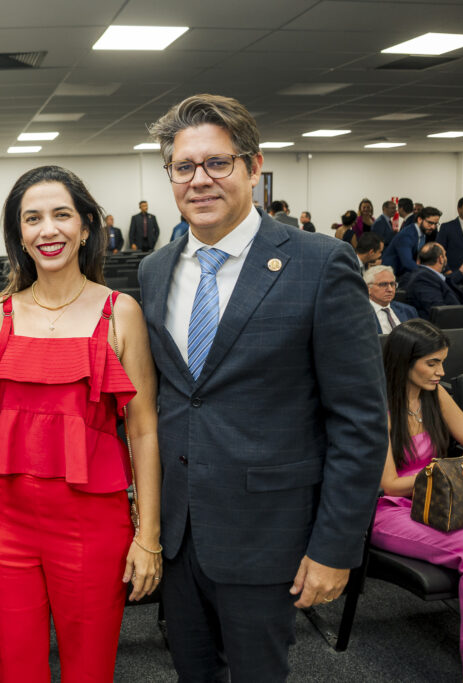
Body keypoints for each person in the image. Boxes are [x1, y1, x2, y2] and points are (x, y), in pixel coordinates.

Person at [140, 93, 388, 681]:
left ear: (253, 167)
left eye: (217, 162)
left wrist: (335, 547)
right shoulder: (155, 270)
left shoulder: (320, 263)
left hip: (270, 536)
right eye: (183, 167)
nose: (199, 180)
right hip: (180, 535)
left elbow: (359, 422)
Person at [0, 165, 161, 682]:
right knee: (16, 669)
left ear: (86, 226)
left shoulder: (120, 313)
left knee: (89, 669)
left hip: (92, 527)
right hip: (8, 526)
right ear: (19, 235)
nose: (47, 230)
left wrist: (149, 535)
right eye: (32, 219)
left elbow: (143, 430)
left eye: (61, 215)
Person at [375, 320, 463, 683]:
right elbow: (389, 484)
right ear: (405, 361)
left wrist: (450, 469)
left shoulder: (435, 394)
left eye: (442, 362)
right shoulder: (378, 407)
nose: (441, 372)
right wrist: (440, 472)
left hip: (441, 498)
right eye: (432, 363)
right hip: (390, 509)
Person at [404, 242, 463, 319]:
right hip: (450, 322)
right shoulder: (423, 278)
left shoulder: (428, 275)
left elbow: (446, 281)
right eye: (445, 255)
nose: (446, 258)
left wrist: (461, 273)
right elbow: (438, 311)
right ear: (440, 259)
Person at [383, 206, 442, 279]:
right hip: (392, 275)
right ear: (420, 219)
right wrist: (428, 274)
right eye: (430, 223)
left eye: (435, 224)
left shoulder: (427, 231)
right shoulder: (406, 235)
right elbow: (407, 262)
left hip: (407, 273)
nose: (433, 227)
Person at [364, 265, 417, 333]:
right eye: (383, 284)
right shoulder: (360, 314)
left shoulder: (408, 311)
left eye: (392, 284)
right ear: (368, 288)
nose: (390, 289)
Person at [437, 195, 463, 271]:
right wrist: (447, 270)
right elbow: (439, 251)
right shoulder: (446, 227)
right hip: (453, 272)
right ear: (459, 209)